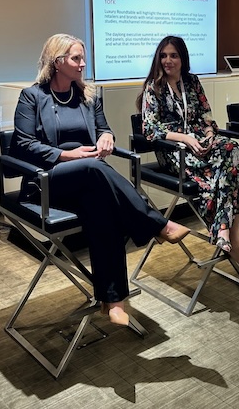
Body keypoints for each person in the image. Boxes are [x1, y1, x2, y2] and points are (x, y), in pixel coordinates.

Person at [10, 33, 190, 327]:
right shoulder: (32, 97)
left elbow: (105, 130)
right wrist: (69, 156)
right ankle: (157, 224)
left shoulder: (88, 96)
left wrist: (106, 138)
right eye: (76, 58)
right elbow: (23, 145)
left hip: (89, 180)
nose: (83, 64)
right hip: (47, 180)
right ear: (57, 63)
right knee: (93, 168)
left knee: (102, 207)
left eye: (83, 58)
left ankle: (114, 300)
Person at [137, 35, 239, 274]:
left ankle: (224, 232)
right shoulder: (154, 87)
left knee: (232, 153)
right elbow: (150, 129)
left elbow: (206, 115)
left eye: (173, 55)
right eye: (163, 55)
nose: (168, 60)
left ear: (183, 58)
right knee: (237, 169)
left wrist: (207, 134)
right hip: (174, 151)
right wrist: (186, 138)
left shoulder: (192, 82)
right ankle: (232, 241)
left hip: (201, 145)